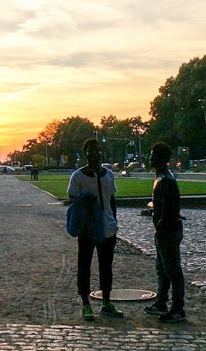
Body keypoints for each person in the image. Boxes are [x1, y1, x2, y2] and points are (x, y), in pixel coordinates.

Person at [68, 137, 123, 321]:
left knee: (106, 267)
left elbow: (112, 200)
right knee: (84, 265)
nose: (94, 152)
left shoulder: (108, 175)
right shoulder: (78, 176)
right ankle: (85, 303)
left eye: (97, 149)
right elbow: (72, 202)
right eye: (90, 149)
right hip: (88, 229)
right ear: (85, 153)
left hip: (107, 227)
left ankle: (106, 301)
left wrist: (114, 221)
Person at [142, 142, 186, 323]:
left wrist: (160, 224)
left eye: (153, 155)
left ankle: (177, 309)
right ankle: (162, 302)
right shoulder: (163, 177)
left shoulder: (165, 180)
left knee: (172, 270)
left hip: (167, 230)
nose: (150, 158)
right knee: (162, 268)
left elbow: (169, 208)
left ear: (159, 159)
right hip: (165, 229)